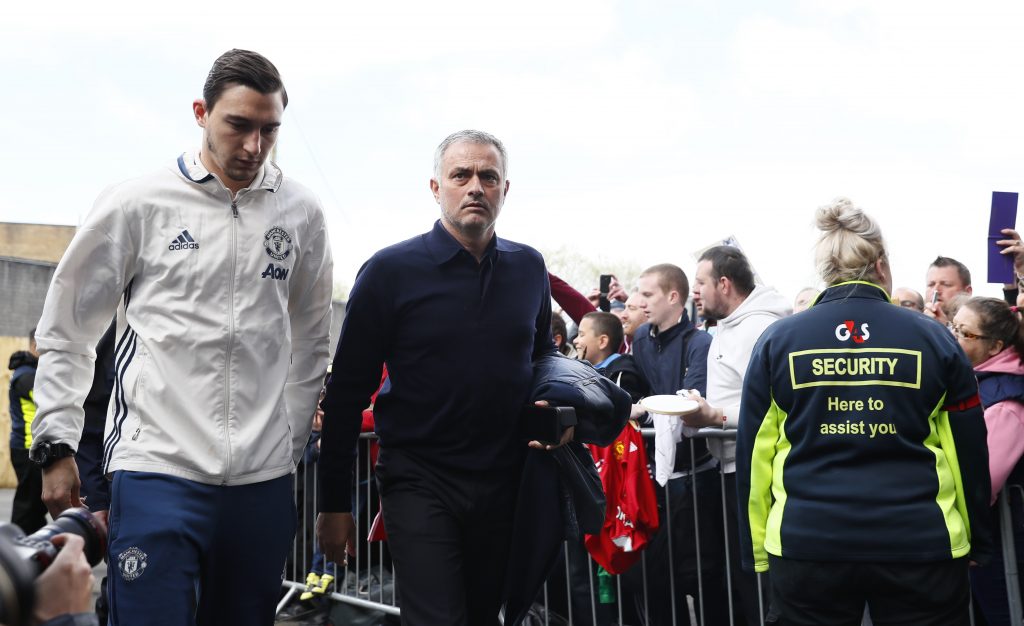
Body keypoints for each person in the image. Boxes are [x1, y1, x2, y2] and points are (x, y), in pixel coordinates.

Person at [29, 49, 333, 625]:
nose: (254, 146)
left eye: (270, 130)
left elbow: (311, 342)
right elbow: (68, 328)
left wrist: (285, 450)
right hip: (156, 471)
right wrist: (55, 445)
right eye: (238, 125)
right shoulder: (138, 202)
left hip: (261, 483)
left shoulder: (301, 212)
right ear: (201, 112)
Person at [316, 129, 564, 625]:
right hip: (419, 479)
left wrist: (560, 413)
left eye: (488, 177)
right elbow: (345, 395)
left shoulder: (529, 268)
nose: (475, 187)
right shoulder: (389, 271)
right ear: (435, 187)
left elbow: (543, 361)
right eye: (461, 175)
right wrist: (334, 504)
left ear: (504, 189)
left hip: (504, 481)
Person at [737, 197, 992, 625]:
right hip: (919, 542)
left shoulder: (779, 341)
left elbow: (755, 454)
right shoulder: (933, 338)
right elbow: (967, 448)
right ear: (881, 266)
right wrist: (979, 538)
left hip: (807, 544)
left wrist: (756, 549)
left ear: (826, 271)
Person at [685, 245, 790, 625]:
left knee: (761, 583)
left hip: (757, 473)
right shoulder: (728, 325)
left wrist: (714, 415)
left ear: (724, 284)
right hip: (732, 469)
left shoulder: (758, 329)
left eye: (700, 282)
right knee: (743, 583)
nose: (694, 291)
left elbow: (774, 406)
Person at [629, 263, 728, 625]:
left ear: (673, 297)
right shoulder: (641, 339)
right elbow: (636, 393)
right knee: (657, 580)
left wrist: (644, 410)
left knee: (705, 577)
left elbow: (689, 401)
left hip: (696, 479)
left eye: (648, 294)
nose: (640, 301)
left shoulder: (700, 343)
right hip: (655, 479)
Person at [951, 297, 1024, 626]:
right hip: (986, 539)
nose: (954, 338)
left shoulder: (1006, 401)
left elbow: (983, 481)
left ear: (994, 346)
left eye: (965, 333)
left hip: (997, 542)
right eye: (953, 327)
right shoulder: (973, 380)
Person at [7, 328, 47, 534]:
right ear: (34, 345)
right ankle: (16, 542)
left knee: (36, 503)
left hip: (31, 447)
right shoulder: (26, 375)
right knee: (28, 504)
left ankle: (34, 541)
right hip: (27, 447)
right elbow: (47, 400)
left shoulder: (30, 372)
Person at [924, 255, 973, 324]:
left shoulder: (981, 324)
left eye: (946, 284)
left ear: (967, 292)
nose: (936, 290)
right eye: (931, 284)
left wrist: (944, 327)